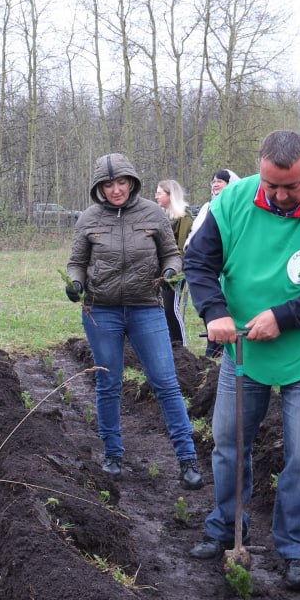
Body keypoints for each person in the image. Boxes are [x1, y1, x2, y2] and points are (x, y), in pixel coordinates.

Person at [185, 131, 300, 591]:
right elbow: (199, 263)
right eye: (272, 185)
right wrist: (215, 311)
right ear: (260, 169)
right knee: (229, 444)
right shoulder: (232, 203)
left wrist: (283, 317)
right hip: (243, 349)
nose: (281, 196)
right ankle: (227, 528)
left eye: (291, 186)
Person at [65, 153, 204, 490]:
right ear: (100, 187)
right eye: (109, 184)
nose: (116, 190)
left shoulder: (152, 213)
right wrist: (76, 284)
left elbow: (171, 252)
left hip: (146, 307)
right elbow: (76, 262)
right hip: (102, 311)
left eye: (121, 182)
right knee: (108, 383)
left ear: (132, 181)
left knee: (165, 382)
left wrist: (171, 270)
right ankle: (112, 454)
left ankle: (187, 459)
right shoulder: (88, 219)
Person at [185, 169, 239, 358]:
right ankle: (213, 348)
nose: (215, 185)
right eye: (213, 181)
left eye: (220, 182)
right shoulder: (209, 207)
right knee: (212, 303)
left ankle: (226, 346)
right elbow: (196, 232)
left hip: (229, 269)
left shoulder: (237, 207)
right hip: (211, 265)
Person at [155, 179, 193, 347]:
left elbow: (183, 247)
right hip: (160, 270)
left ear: (170, 195)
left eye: (159, 193)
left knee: (171, 308)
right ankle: (169, 344)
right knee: (163, 309)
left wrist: (173, 271)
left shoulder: (183, 216)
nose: (156, 196)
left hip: (175, 271)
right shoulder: (161, 216)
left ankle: (181, 346)